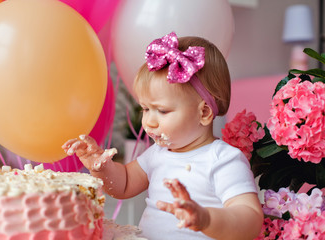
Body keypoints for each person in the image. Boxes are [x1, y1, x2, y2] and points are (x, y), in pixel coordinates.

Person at [62, 32, 263, 240]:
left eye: (162, 111)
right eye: (145, 109)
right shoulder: (158, 153)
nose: (149, 121)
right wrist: (101, 166)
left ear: (203, 113)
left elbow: (250, 219)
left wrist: (207, 219)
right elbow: (124, 184)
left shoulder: (223, 159)